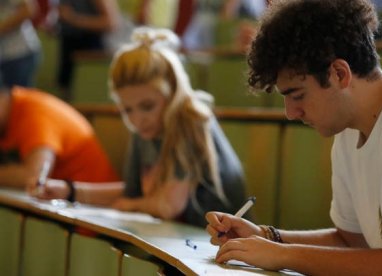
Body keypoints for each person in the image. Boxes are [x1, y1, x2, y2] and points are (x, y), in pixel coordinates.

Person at [205, 0, 382, 274]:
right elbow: (351, 241)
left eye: (298, 95)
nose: (291, 113)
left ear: (339, 74)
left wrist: (282, 255)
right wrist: (267, 236)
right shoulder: (349, 129)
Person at [35, 27, 247, 228]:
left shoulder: (191, 118)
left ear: (172, 92)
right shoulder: (146, 128)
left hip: (218, 245)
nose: (137, 120)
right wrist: (68, 191)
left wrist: (131, 205)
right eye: (127, 110)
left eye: (147, 106)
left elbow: (168, 206)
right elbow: (131, 194)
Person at [0, 86, 119, 190]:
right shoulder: (7, 119)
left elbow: (34, 177)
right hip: (60, 198)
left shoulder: (36, 113)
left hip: (91, 204)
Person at [56, 0, 119, 101]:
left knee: (87, 101)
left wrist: (73, 18)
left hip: (90, 55)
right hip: (69, 50)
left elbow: (111, 22)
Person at [0, 0, 42, 89]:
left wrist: (1, 28)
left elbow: (29, 10)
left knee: (17, 98)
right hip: (5, 55)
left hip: (21, 53)